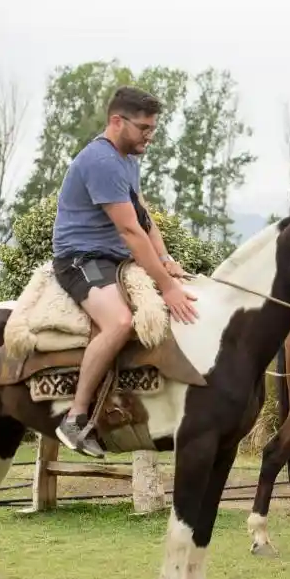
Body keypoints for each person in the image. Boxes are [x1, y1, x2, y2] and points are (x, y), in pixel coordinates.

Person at [50, 86, 199, 457]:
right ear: (117, 121)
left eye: (153, 129)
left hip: (114, 260)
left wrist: (165, 262)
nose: (149, 136)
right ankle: (76, 417)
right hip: (80, 259)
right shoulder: (100, 162)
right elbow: (129, 231)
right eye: (144, 128)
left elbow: (143, 219)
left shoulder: (127, 159)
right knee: (119, 322)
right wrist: (167, 288)